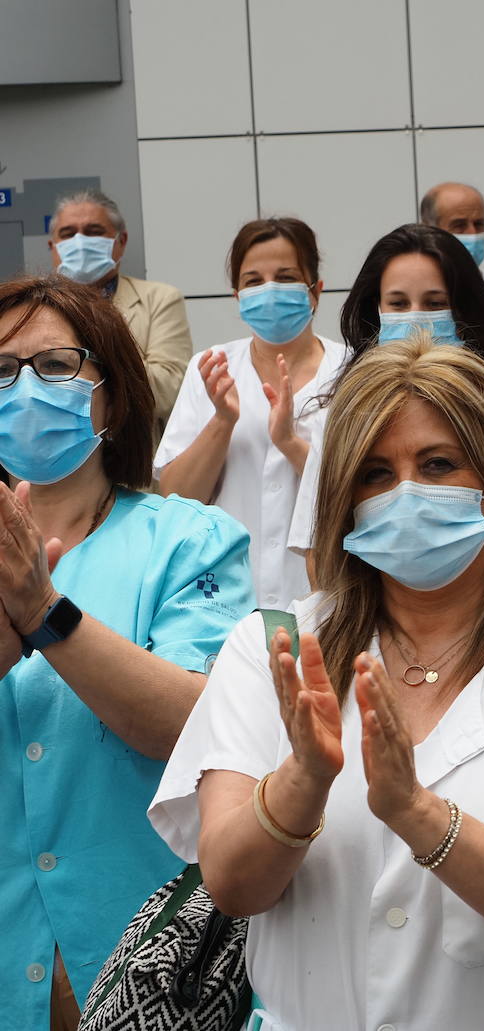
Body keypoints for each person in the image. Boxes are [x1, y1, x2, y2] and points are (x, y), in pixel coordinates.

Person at [150, 338, 484, 1030]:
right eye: (375, 473)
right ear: (343, 499)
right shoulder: (273, 647)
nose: (406, 491)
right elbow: (232, 882)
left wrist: (418, 813)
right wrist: (302, 780)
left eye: (438, 464)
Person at [0, 275, 252, 1030]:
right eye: (0, 371)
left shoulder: (188, 540)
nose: (22, 388)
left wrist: (44, 614)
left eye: (53, 366)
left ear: (111, 394)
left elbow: (193, 723)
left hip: (143, 955)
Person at [286, 223, 484, 566]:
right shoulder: (340, 418)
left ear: (464, 313)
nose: (415, 318)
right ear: (376, 313)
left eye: (434, 303)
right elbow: (318, 551)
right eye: (398, 303)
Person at [156, 217, 346, 608]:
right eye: (254, 281)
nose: (269, 290)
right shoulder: (211, 367)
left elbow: (359, 491)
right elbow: (177, 496)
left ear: (316, 291)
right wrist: (222, 422)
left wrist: (291, 446)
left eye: (286, 276)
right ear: (237, 296)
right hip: (224, 598)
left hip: (324, 594)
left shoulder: (351, 372)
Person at [47, 189, 193, 430]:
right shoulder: (33, 309)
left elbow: (168, 392)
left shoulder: (160, 299)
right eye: (68, 234)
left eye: (94, 232)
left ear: (121, 242)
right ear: (53, 247)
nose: (80, 242)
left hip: (129, 454)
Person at [419, 181, 484, 323]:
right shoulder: (409, 291)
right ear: (427, 229)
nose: (473, 233)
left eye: (478, 224)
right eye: (459, 225)